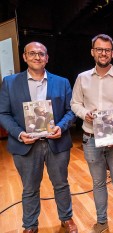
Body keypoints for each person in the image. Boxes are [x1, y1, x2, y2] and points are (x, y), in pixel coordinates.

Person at [0, 42, 77, 233]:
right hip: (26, 144)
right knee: (29, 188)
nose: (37, 57)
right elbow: (3, 113)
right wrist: (19, 133)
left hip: (56, 144)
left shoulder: (62, 82)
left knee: (61, 184)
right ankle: (30, 225)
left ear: (47, 58)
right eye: (32, 53)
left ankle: (66, 218)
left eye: (41, 54)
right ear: (24, 57)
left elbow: (71, 111)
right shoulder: (10, 82)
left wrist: (60, 126)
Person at [71, 34, 113, 233]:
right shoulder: (82, 78)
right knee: (98, 183)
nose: (103, 53)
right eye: (99, 49)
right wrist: (84, 114)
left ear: (112, 53)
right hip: (91, 139)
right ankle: (102, 222)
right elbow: (75, 103)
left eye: (107, 50)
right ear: (92, 52)